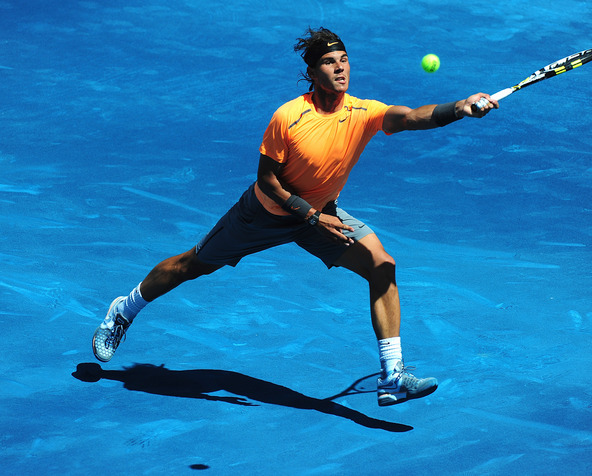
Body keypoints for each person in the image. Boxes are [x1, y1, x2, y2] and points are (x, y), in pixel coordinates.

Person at [92, 27, 498, 407]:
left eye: (344, 59)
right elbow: (266, 182)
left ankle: (392, 376)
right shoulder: (289, 117)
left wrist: (459, 108)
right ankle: (123, 311)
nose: (340, 67)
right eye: (329, 62)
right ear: (311, 72)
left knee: (382, 266)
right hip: (264, 216)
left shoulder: (364, 111)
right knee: (191, 265)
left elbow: (411, 117)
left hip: (321, 215)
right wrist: (310, 216)